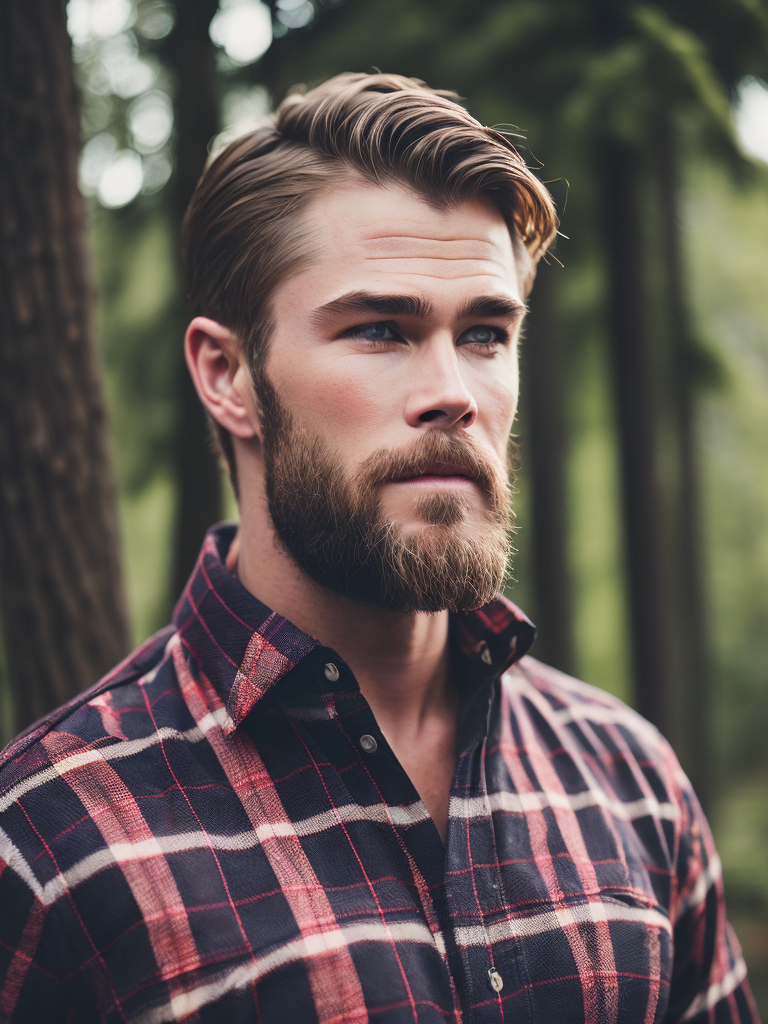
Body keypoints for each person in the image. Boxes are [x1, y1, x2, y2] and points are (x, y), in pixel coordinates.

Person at [0, 73, 758, 1024]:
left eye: (485, 334)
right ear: (228, 376)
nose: (455, 392)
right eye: (379, 331)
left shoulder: (632, 783)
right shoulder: (53, 839)